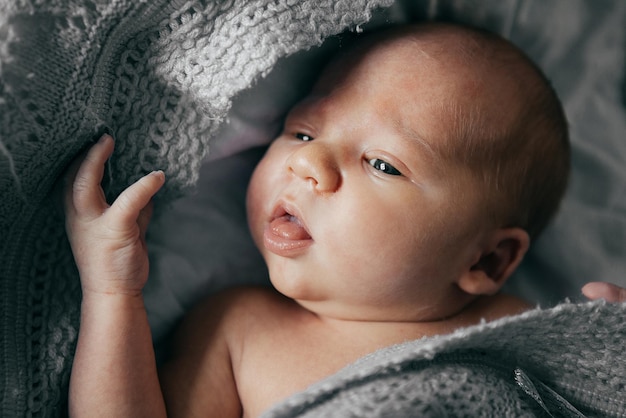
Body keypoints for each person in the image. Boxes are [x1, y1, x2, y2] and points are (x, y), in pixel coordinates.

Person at [65, 23, 577, 417]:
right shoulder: (238, 328)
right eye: (303, 133)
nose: (306, 163)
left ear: (487, 258)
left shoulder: (527, 332)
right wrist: (112, 293)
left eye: (383, 164)